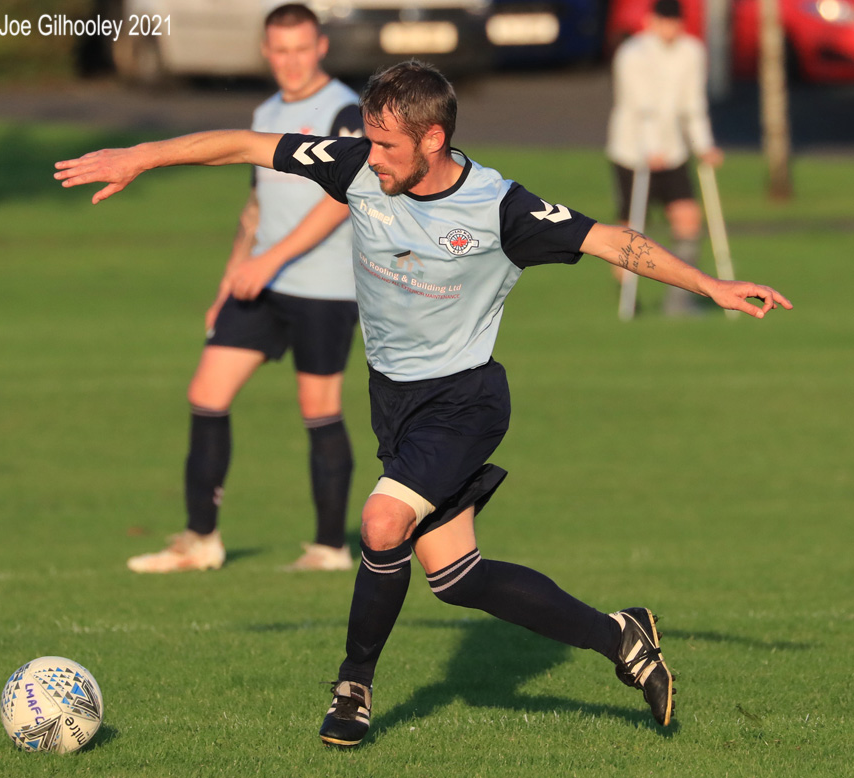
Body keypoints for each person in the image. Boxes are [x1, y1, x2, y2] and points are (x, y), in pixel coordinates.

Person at [55, 60, 792, 746]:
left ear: (433, 139)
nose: (370, 156)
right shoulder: (357, 169)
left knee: (381, 523)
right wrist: (141, 156)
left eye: (385, 144)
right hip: (394, 401)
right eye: (367, 142)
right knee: (457, 575)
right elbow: (246, 144)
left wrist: (713, 286)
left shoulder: (502, 208)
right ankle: (621, 636)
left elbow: (616, 241)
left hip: (464, 401)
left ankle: (352, 687)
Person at [126, 4, 363, 574]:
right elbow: (256, 202)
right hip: (261, 282)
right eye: (280, 50)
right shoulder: (265, 110)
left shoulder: (347, 109)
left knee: (318, 407)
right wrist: (233, 274)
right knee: (206, 391)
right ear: (265, 51)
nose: (290, 61)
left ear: (320, 47)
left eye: (301, 49)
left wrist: (272, 260)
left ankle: (329, 548)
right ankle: (200, 539)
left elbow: (342, 200)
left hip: (326, 288)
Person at [606, 0, 724, 315]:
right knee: (630, 228)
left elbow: (693, 104)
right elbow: (637, 105)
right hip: (633, 152)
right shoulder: (632, 54)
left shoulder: (692, 52)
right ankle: (628, 298)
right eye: (664, 22)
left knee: (687, 218)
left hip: (673, 152)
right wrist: (649, 148)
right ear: (651, 22)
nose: (670, 30)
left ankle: (679, 299)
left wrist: (704, 145)